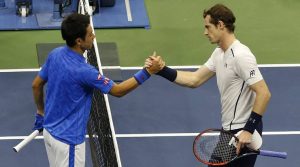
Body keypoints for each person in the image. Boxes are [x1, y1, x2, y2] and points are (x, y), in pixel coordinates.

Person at [146, 4, 271, 167]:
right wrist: (161, 70)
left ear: (220, 25)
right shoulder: (219, 53)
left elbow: (264, 93)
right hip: (229, 132)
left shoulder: (241, 56)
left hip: (242, 133)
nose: (205, 32)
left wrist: (248, 130)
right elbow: (194, 79)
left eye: (208, 27)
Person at [31, 13, 163, 167]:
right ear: (79, 41)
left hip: (49, 133)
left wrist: (40, 113)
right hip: (68, 143)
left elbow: (36, 85)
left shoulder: (55, 54)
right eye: (90, 34)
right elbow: (118, 90)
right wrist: (147, 72)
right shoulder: (85, 71)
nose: (94, 36)